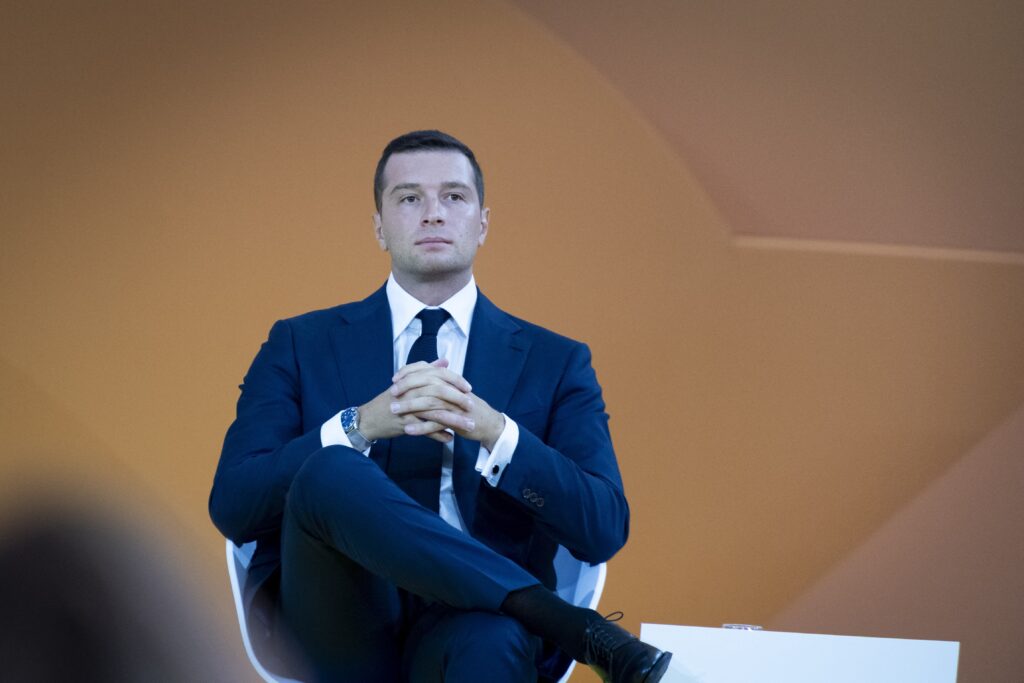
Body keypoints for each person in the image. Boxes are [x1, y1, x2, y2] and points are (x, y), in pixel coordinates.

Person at [209, 130, 672, 683]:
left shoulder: (556, 361)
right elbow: (234, 506)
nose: (433, 213)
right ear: (379, 227)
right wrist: (360, 426)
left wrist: (497, 433)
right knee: (330, 465)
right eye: (409, 198)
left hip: (476, 624)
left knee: (495, 638)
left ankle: (526, 611)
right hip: (340, 617)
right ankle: (571, 625)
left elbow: (603, 528)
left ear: (483, 223)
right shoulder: (299, 343)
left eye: (454, 196)